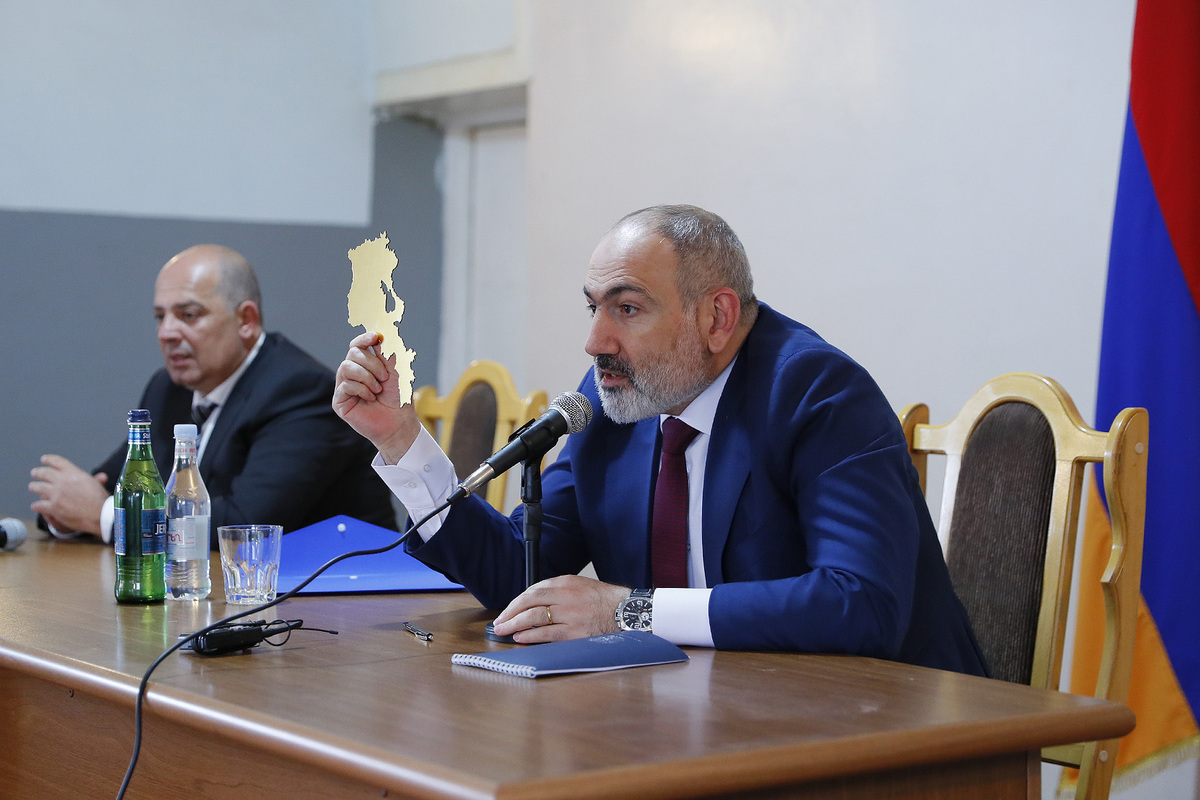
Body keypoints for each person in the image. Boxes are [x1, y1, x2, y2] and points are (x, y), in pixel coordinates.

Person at [333, 205, 987, 675]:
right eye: (593, 307)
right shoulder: (611, 399)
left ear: (717, 317)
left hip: (893, 729)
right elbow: (518, 577)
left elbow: (860, 604)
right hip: (702, 713)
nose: (595, 342)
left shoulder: (817, 393)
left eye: (628, 308)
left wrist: (632, 612)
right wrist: (401, 441)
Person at [30, 244, 397, 542]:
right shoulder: (168, 388)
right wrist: (68, 513)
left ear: (246, 320)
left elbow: (246, 525)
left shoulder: (300, 391)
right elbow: (112, 485)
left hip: (347, 596)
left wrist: (106, 516)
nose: (166, 333)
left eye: (188, 315)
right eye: (160, 316)